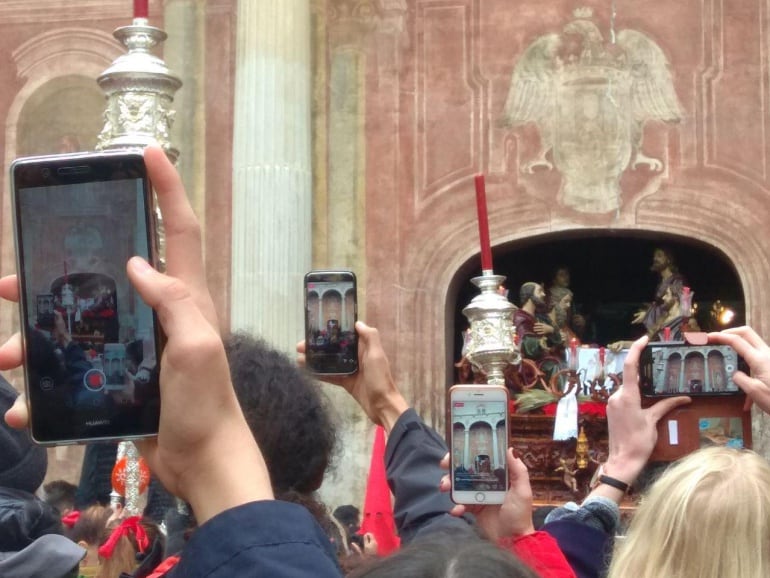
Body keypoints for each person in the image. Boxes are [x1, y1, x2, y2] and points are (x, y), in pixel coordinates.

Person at [2, 146, 342, 577]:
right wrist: (212, 459)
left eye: (92, 253)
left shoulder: (113, 299)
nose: (85, 263)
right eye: (77, 253)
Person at [631, 248, 685, 337]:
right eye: (654, 256)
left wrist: (647, 315)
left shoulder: (676, 281)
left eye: (659, 256)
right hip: (657, 327)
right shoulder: (661, 282)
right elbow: (658, 305)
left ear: (668, 260)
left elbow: (673, 305)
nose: (655, 259)